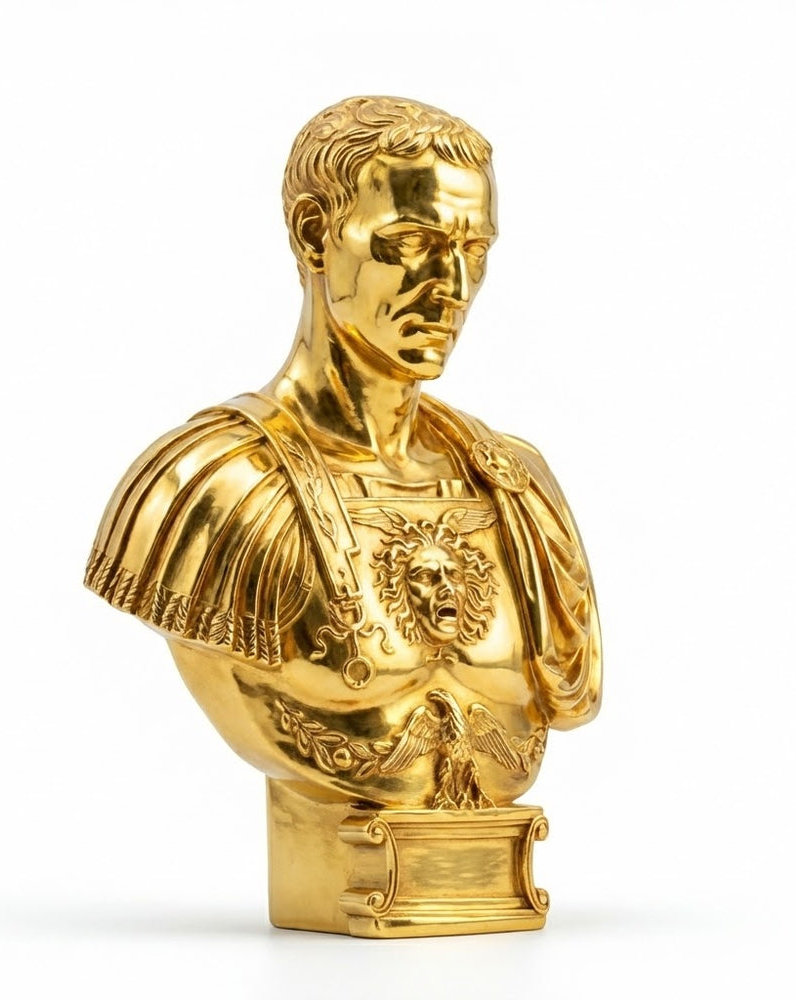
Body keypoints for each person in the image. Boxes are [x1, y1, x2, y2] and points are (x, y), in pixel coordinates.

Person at [85, 96, 601, 814]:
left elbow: (570, 697)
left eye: (473, 251)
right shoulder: (214, 487)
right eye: (413, 242)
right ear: (314, 235)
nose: (453, 289)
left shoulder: (512, 484)